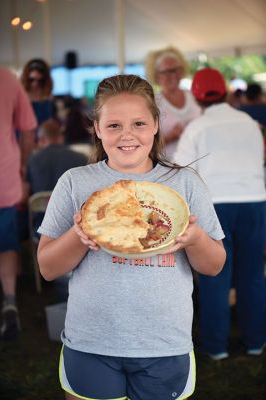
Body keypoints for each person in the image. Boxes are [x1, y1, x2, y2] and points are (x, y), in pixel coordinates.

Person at [37, 74, 226, 400]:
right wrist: (78, 234)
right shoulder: (75, 182)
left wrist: (195, 238)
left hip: (165, 343)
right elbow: (48, 268)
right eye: (113, 126)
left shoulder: (184, 184)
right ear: (97, 128)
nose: (127, 135)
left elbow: (214, 266)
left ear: (155, 124)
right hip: (91, 341)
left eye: (139, 123)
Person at [173, 68, 266, 360]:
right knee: (252, 275)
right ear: (225, 92)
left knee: (216, 277)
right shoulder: (250, 123)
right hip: (255, 202)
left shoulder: (197, 127)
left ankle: (216, 348)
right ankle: (255, 341)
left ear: (198, 96)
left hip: (216, 205)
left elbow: (181, 171)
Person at [0, 66, 36, 340]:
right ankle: (10, 300)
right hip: (4, 176)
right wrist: (22, 166)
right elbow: (28, 131)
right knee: (7, 243)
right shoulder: (7, 77)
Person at [145, 46, 201, 160]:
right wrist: (170, 137)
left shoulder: (194, 96)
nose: (174, 75)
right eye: (167, 72)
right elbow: (144, 145)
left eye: (177, 69)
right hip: (168, 169)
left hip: (198, 164)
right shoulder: (152, 103)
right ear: (156, 76)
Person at [21, 58, 54, 141]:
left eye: (40, 80)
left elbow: (48, 121)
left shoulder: (48, 96)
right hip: (24, 137)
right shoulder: (21, 96)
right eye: (31, 80)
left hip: (42, 138)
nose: (35, 83)